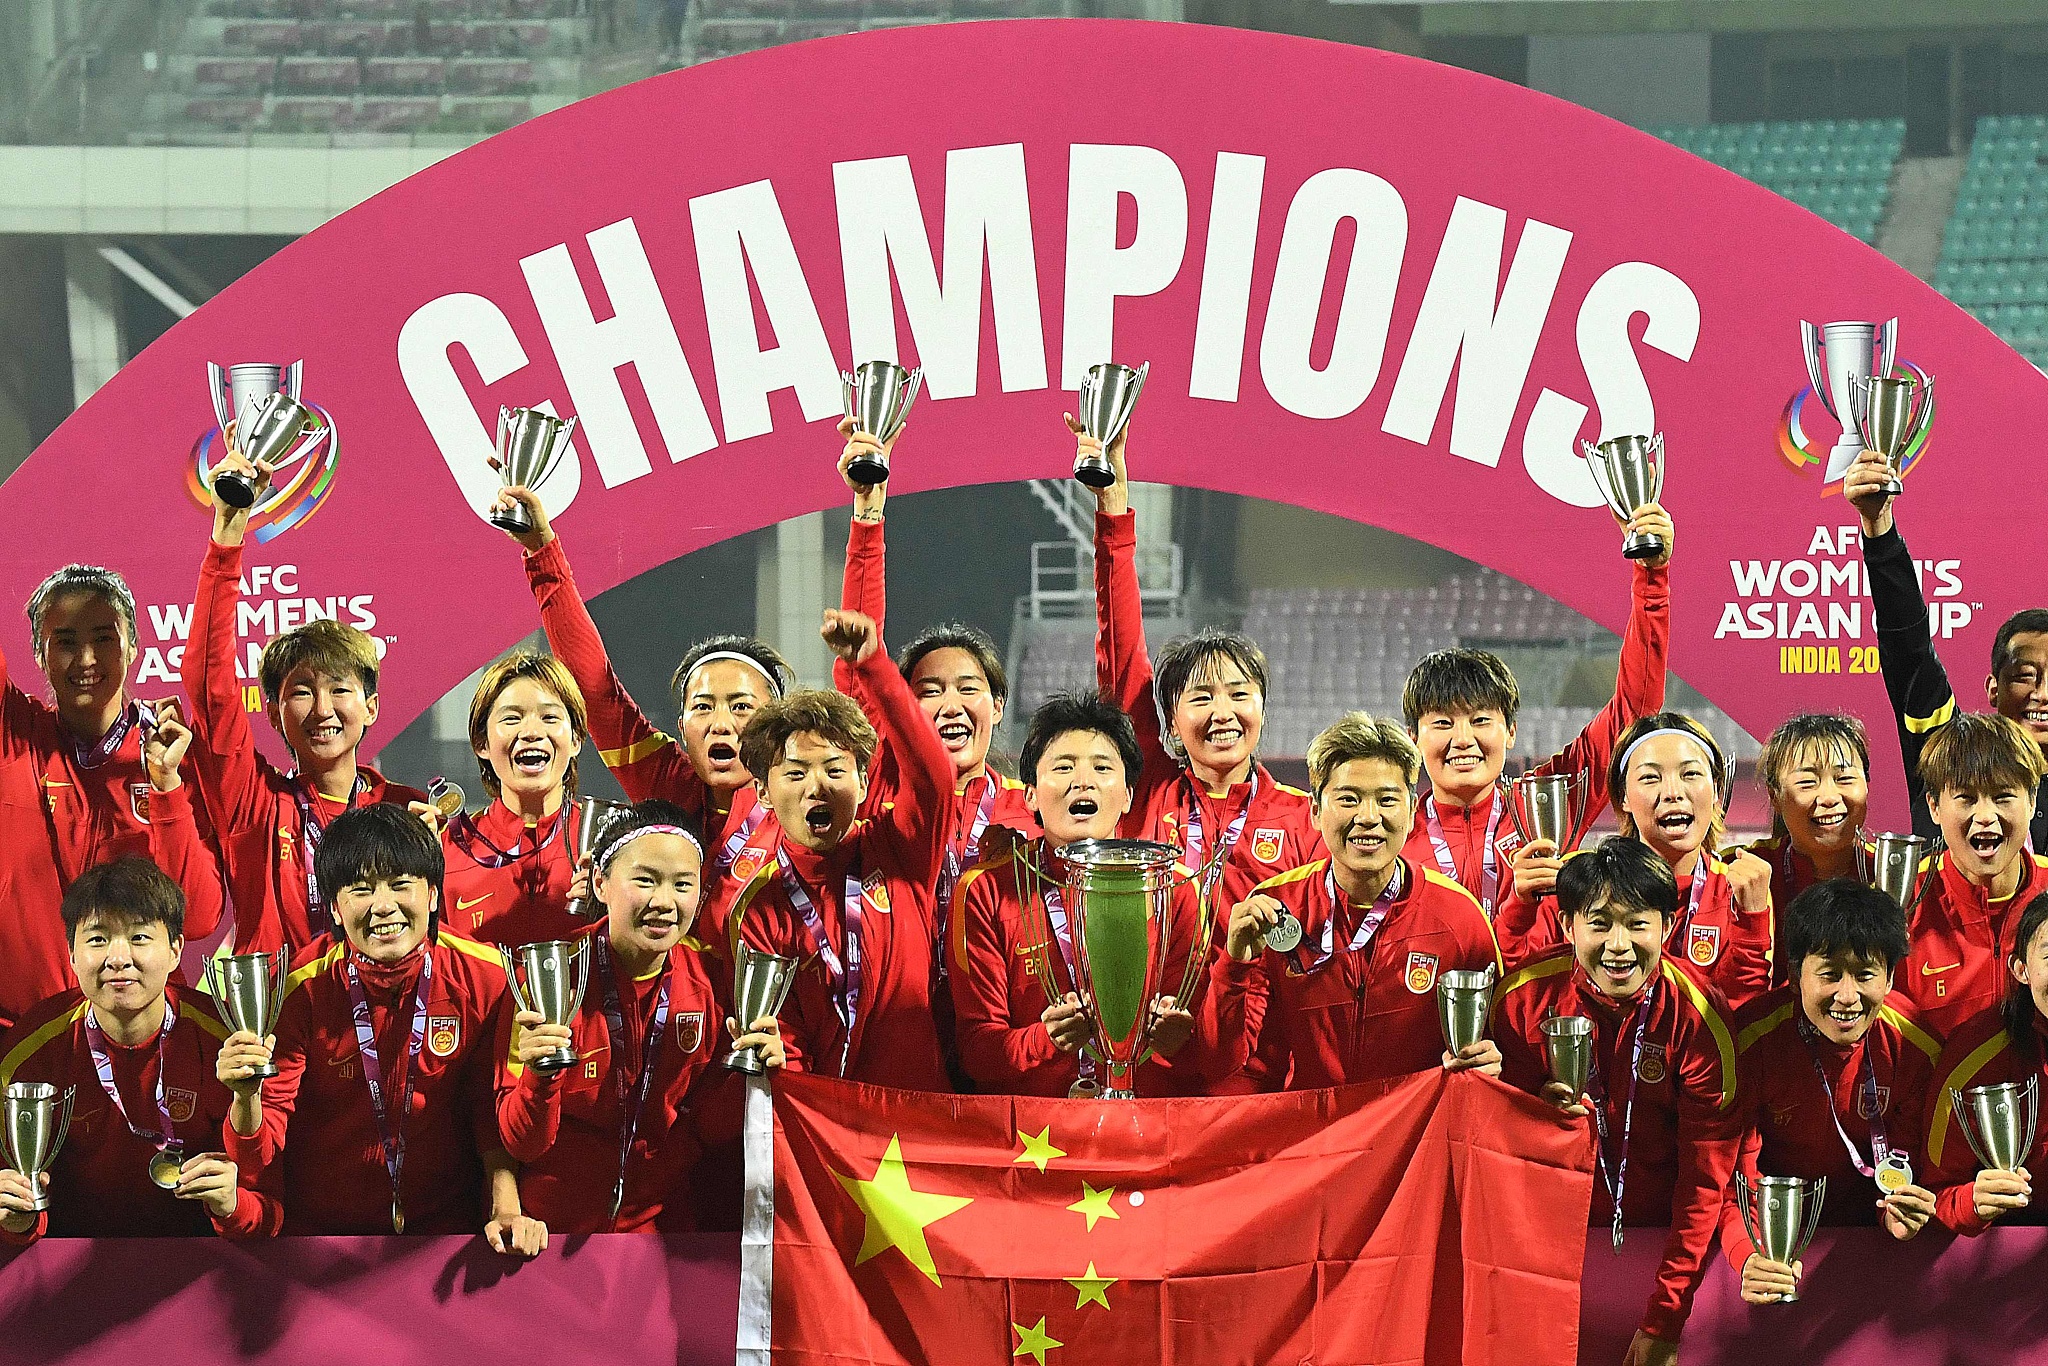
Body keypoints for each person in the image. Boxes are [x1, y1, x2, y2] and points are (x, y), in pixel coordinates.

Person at [215, 805, 534, 1249]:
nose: (384, 907)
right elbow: (259, 1151)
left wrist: (506, 1207)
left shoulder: (488, 977)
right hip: (322, 1241)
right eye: (361, 890)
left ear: (434, 896)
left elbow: (488, 1111)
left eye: (401, 885)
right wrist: (244, 1096)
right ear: (335, 908)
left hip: (445, 1237)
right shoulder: (297, 991)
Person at [493, 485, 793, 940]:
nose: (721, 723)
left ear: (774, 724)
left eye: (741, 707)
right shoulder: (671, 783)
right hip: (681, 1009)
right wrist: (541, 552)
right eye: (703, 707)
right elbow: (596, 692)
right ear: (682, 728)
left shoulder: (804, 797)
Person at [1493, 839, 1740, 1366]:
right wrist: (1531, 1119)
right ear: (1567, 927)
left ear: (1668, 927)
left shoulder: (1699, 1020)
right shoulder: (1522, 999)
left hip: (1659, 1249)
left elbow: (1704, 1181)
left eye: (1637, 923)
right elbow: (1492, 1159)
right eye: (1600, 923)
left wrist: (1665, 1319)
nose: (1619, 945)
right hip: (1545, 1258)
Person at [496, 801, 784, 1236]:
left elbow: (707, 1128)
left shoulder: (713, 983)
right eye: (645, 880)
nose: (664, 902)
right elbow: (521, 1141)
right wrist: (540, 1077)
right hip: (549, 1236)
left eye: (682, 884)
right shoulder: (548, 979)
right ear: (600, 882)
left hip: (660, 1239)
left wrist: (755, 1079)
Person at [187, 446, 427, 954]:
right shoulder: (255, 807)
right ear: (273, 712)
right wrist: (228, 533)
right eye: (301, 692)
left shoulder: (412, 813)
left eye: (340, 689)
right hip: (285, 1027)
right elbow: (210, 687)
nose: (322, 710)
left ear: (372, 705)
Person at [1078, 417, 1318, 914]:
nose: (1222, 712)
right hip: (1154, 994)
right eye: (1202, 697)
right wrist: (1114, 503)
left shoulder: (1305, 819)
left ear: (1263, 708)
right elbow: (1121, 650)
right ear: (1169, 715)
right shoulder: (1145, 789)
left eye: (1238, 693)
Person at [1402, 504, 1672, 919]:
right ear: (1413, 737)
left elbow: (1635, 710)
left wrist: (1650, 577)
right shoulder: (1393, 828)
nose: (1463, 740)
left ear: (1510, 731)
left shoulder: (1550, 799)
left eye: (1480, 721)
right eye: (1442, 723)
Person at [1207, 712, 1501, 1089]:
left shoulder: (1460, 919)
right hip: (1314, 1140)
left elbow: (1497, 1051)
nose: (1368, 817)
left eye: (1387, 800)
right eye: (1348, 799)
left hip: (1414, 1140)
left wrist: (1492, 1062)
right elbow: (1227, 1065)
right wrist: (1233, 966)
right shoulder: (1274, 909)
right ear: (1315, 811)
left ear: (1412, 812)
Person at [724, 609, 953, 1091]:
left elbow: (935, 776)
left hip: (917, 1125)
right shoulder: (760, 911)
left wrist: (875, 667)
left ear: (864, 780)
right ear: (764, 794)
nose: (817, 787)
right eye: (794, 773)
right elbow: (785, 1040)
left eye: (834, 769)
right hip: (835, 1141)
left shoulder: (898, 849)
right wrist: (777, 1056)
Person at [833, 418, 1034, 925]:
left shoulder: (1030, 812)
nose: (950, 705)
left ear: (999, 705)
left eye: (969, 688)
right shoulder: (880, 785)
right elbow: (861, 662)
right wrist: (867, 511)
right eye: (929, 692)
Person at [949, 691, 1199, 1097]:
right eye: (1063, 767)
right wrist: (1042, 1040)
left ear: (1128, 796)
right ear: (1029, 793)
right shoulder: (986, 890)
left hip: (1145, 1131)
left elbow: (1207, 1050)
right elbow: (977, 1051)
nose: (1083, 780)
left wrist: (1180, 1038)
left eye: (1102, 768)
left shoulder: (1176, 887)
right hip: (1036, 1138)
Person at [0, 858, 264, 1241]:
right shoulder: (29, 1054)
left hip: (200, 1259)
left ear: (176, 950)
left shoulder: (224, 1044)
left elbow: (265, 1202)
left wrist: (235, 1206)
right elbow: (16, 1207)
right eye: (97, 939)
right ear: (71, 953)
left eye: (139, 937)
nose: (119, 959)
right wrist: (17, 1220)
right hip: (72, 1260)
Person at [1721, 879, 1939, 1304]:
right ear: (1795, 972)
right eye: (1829, 974)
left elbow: (1913, 1164)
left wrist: (1906, 1213)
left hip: (1871, 1258)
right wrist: (1747, 1253)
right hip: (1773, 1248)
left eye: (1864, 975)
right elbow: (1730, 1177)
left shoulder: (1917, 1048)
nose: (1847, 996)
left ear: (1891, 976)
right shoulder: (1748, 1043)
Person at [1499, 713, 1775, 1010]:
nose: (1673, 793)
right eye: (1650, 777)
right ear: (1624, 798)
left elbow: (1742, 1012)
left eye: (1690, 774)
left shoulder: (1739, 891)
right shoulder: (1583, 882)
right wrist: (1520, 909)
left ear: (1717, 790)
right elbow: (1519, 983)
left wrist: (1752, 923)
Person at [1847, 447, 2048, 850]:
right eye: (2025, 676)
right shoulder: (1947, 751)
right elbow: (1909, 652)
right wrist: (1878, 527)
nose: (2042, 694)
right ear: (1993, 688)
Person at [0, 565, 166, 1026]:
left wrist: (167, 783)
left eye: (104, 638)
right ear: (39, 653)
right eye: (66, 642)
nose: (86, 659)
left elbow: (200, 917)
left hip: (133, 1030)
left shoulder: (170, 759)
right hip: (19, 1033)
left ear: (133, 645)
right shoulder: (14, 735)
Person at [1893, 713, 2048, 1041]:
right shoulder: (1900, 902)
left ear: (2032, 801)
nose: (1986, 817)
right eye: (1966, 798)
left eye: (2003, 796)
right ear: (1934, 807)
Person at [442, 652, 589, 947]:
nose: (532, 732)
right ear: (481, 743)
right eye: (512, 718)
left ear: (575, 740)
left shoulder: (610, 845)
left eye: (549, 717)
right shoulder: (447, 850)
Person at [1924, 891, 2048, 1234]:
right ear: (2021, 969)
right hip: (2012, 1246)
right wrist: (1973, 1203)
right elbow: (1937, 1193)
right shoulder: (1978, 1056)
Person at [1747, 714, 1873, 982]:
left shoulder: (1891, 874)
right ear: (1775, 796)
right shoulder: (1748, 873)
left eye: (1845, 778)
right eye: (1807, 782)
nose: (1828, 797)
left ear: (1867, 786)